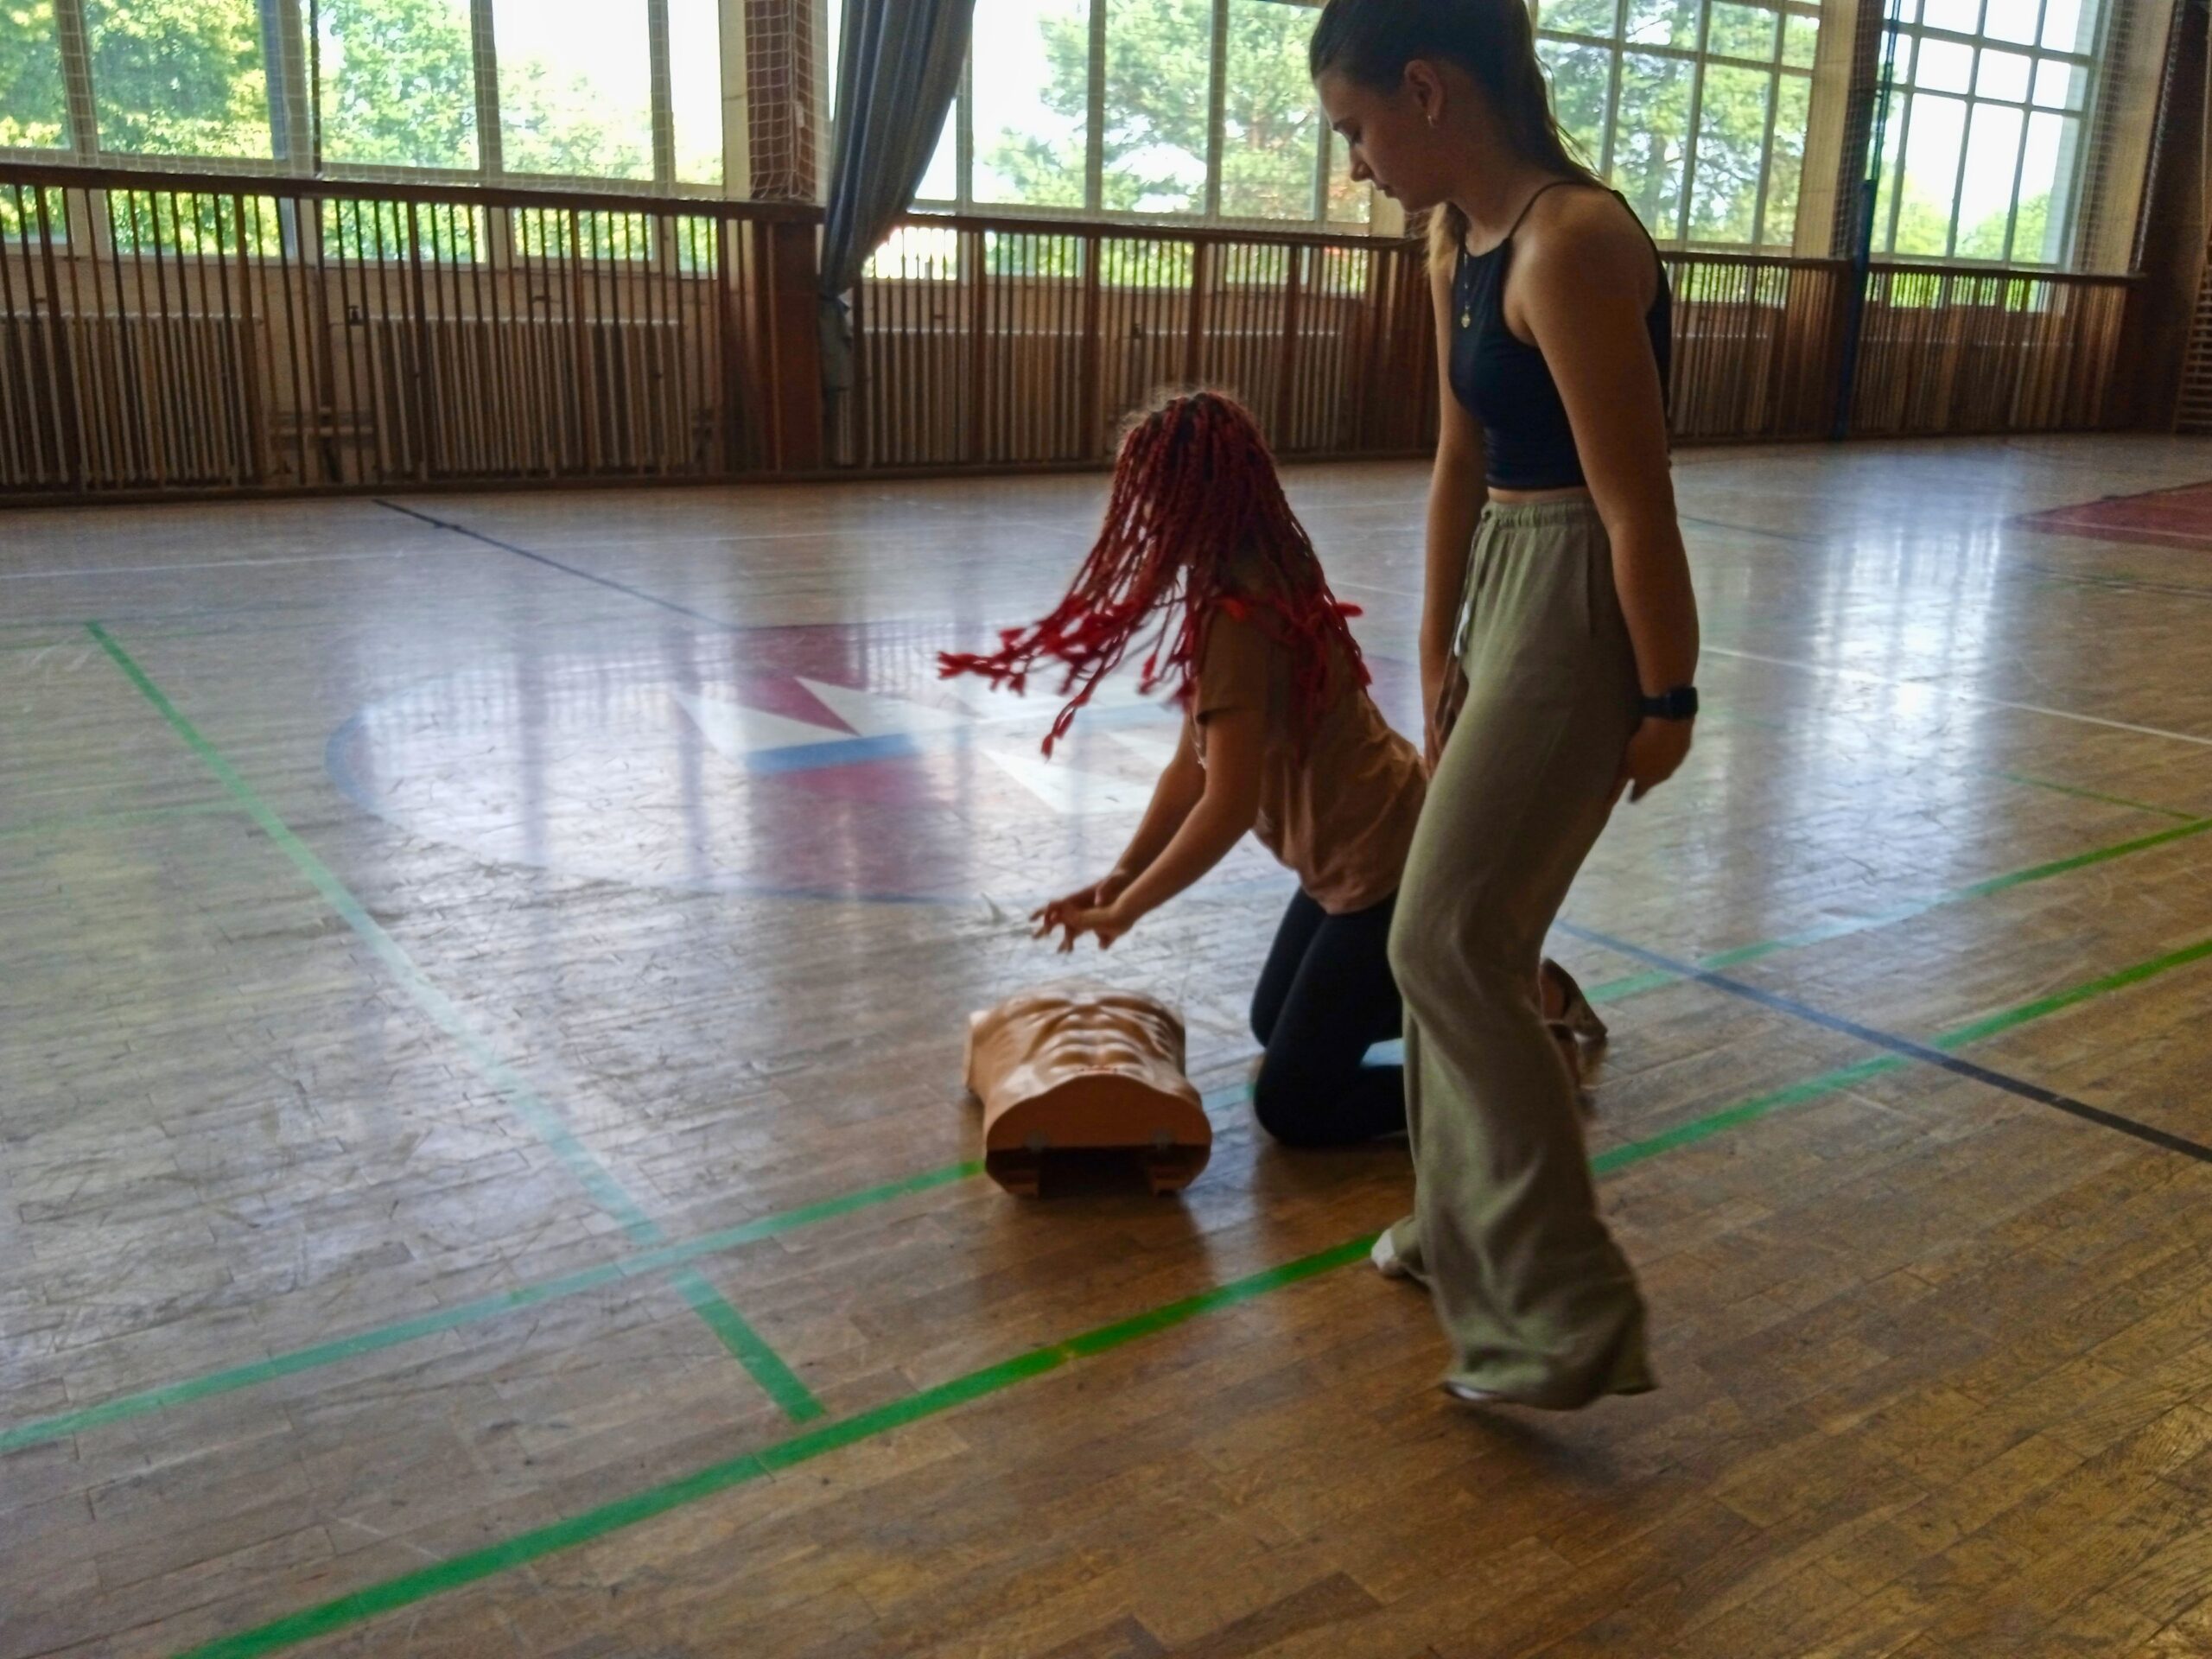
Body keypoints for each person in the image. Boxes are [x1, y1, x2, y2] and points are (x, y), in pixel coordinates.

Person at [1310, 0, 1701, 1409]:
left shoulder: (1572, 243)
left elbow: (1633, 498)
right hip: (1502, 592)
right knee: (1452, 938)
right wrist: (1433, 647)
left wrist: (1669, 687)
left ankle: (1566, 1310)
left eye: (1358, 129)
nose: (1357, 165)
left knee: (1449, 941)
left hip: (1578, 600)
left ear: (1426, 88)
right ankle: (1459, 1226)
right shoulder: (1457, 243)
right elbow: (1457, 460)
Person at [940, 389, 1605, 1148]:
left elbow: (1227, 806)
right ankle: (1505, 983)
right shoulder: (1254, 569)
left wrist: (1130, 911)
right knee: (1272, 1022)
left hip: (1384, 869)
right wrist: (1122, 875)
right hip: (1368, 845)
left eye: (1149, 500)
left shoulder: (1237, 615)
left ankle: (1522, 1069)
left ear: (1187, 505)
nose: (1139, 518)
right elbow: (1190, 769)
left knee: (1294, 1105)